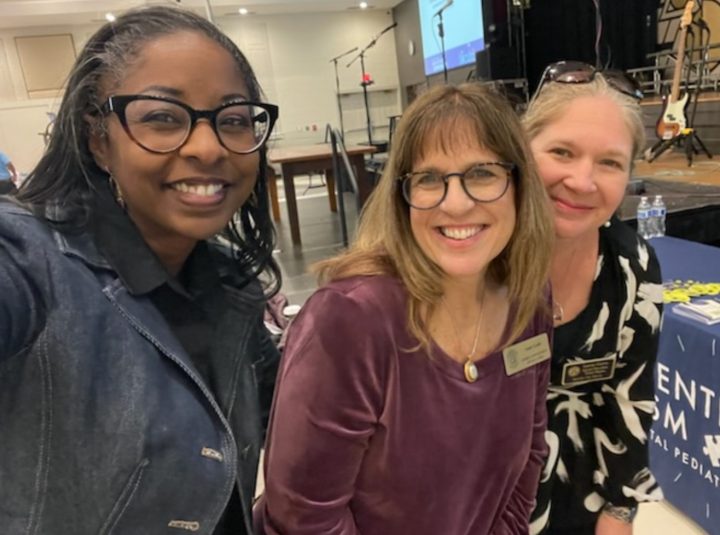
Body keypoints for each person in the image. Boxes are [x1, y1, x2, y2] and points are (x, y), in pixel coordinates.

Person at [0, 6, 281, 534]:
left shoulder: (227, 286)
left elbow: (296, 420)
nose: (207, 146)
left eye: (234, 119)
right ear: (99, 141)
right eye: (162, 117)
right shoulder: (27, 261)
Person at [254, 83, 555, 535]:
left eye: (482, 173)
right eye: (430, 179)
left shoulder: (529, 299)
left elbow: (530, 454)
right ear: (402, 197)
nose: (456, 203)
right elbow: (305, 520)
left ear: (519, 185)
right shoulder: (349, 321)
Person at [523, 61, 664, 535]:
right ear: (523, 149)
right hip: (477, 498)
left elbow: (629, 397)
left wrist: (619, 510)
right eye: (562, 152)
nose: (583, 182)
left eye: (609, 162)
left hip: (577, 494)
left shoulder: (633, 269)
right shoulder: (478, 258)